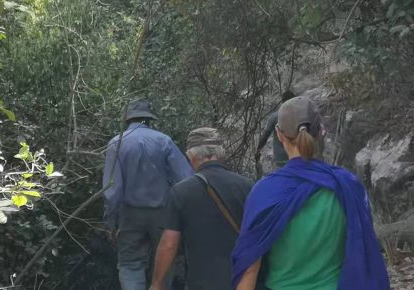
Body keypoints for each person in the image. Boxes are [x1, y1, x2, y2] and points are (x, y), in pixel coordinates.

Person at [232, 96, 390, 290]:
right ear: (321, 132)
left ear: (279, 135)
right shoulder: (346, 185)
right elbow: (362, 250)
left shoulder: (264, 192)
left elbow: (249, 269)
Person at [103, 98, 193, 290]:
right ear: (149, 119)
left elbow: (112, 190)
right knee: (165, 260)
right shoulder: (164, 141)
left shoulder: (116, 144)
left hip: (130, 215)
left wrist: (111, 222)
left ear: (127, 119)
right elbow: (186, 179)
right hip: (164, 214)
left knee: (130, 264)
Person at [148, 127, 252, 290]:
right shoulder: (246, 186)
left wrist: (157, 284)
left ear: (190, 156)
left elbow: (169, 244)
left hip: (200, 283)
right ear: (221, 153)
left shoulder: (181, 192)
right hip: (242, 281)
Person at [255, 90, 295, 171]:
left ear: (282, 102)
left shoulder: (274, 117)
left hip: (279, 161)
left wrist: (258, 149)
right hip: (296, 160)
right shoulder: (299, 117)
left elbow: (265, 136)